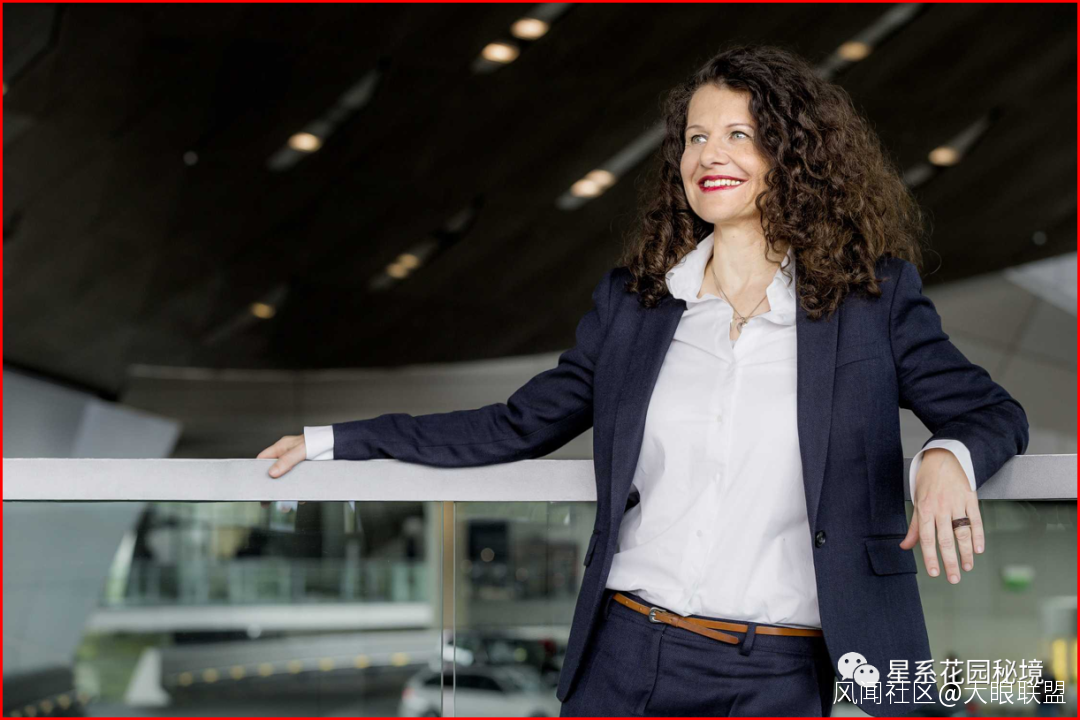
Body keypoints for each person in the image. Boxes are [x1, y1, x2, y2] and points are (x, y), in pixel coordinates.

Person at [258, 44, 1029, 717]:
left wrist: (944, 457)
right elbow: (515, 424)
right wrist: (338, 440)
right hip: (625, 653)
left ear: (793, 154)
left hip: (778, 672)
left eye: (738, 134)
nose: (709, 155)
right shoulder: (637, 307)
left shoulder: (872, 302)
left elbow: (991, 412)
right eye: (695, 137)